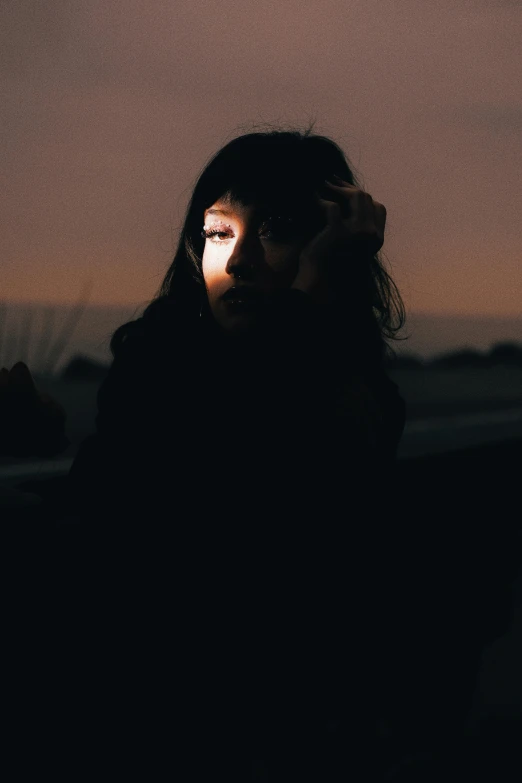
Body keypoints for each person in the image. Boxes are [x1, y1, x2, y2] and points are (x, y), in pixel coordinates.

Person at [65, 128, 408, 779]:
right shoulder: (157, 370)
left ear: (324, 249)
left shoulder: (353, 385)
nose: (239, 260)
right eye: (218, 233)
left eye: (275, 230)